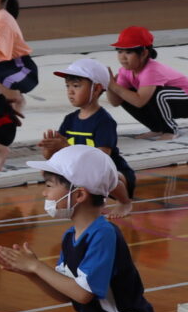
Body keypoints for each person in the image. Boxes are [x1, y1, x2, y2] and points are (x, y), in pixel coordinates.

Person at [0, 147, 159, 312]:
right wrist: (30, 272)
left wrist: (39, 268)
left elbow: (84, 294)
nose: (44, 192)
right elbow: (65, 294)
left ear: (79, 194)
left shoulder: (104, 233)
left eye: (49, 185)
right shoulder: (70, 237)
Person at [38, 59, 136, 217]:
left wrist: (65, 148)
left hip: (111, 173)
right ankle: (82, 202)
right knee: (48, 171)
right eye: (68, 86)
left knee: (105, 175)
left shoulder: (104, 121)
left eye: (76, 86)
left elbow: (101, 160)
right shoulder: (70, 119)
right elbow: (57, 156)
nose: (70, 91)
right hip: (82, 171)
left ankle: (124, 201)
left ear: (96, 89)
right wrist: (50, 152)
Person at [107, 26, 188, 138]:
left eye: (128, 52)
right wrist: (109, 85)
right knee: (126, 94)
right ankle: (157, 128)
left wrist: (114, 86)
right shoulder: (124, 71)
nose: (122, 57)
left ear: (143, 53)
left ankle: (171, 129)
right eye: (120, 52)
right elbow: (116, 102)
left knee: (158, 94)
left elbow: (140, 101)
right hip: (163, 102)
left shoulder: (151, 70)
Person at [0, 0, 36, 117]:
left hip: (20, 69)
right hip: (5, 66)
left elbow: (1, 55)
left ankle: (15, 102)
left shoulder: (3, 21)